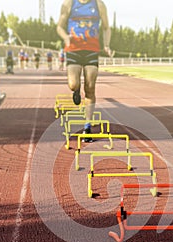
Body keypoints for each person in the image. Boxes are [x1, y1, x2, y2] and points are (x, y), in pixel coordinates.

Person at [57, 0, 111, 142]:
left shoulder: (99, 4)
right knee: (73, 84)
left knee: (90, 87)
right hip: (73, 50)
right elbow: (59, 27)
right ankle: (76, 90)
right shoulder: (69, 4)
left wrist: (106, 45)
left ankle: (87, 126)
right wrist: (65, 37)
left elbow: (106, 27)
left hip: (91, 51)